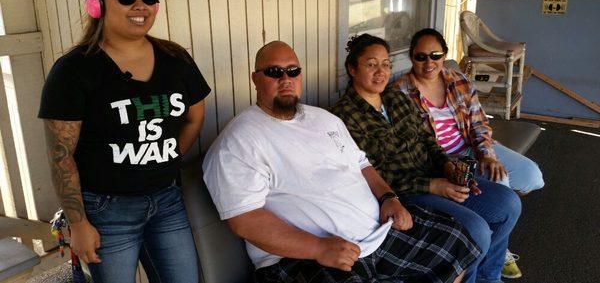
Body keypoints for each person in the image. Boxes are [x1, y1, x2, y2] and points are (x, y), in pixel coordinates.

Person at [203, 41, 481, 283]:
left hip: (374, 235)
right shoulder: (239, 141)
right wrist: (318, 248)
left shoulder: (324, 119)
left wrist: (389, 198)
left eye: (293, 71)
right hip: (303, 257)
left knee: (455, 241)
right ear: (255, 78)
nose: (285, 78)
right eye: (274, 72)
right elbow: (245, 220)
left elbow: (362, 164)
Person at [39, 0, 210, 283]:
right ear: (98, 2)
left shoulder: (175, 58)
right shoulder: (74, 71)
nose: (140, 5)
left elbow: (194, 115)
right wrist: (78, 223)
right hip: (106, 210)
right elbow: (62, 156)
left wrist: (166, 155)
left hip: (166, 201)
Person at [331, 34, 522, 283]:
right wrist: (432, 186)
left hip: (435, 176)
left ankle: (489, 277)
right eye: (371, 64)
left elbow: (427, 140)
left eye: (386, 64)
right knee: (477, 231)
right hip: (405, 193)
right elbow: (369, 175)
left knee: (508, 203)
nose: (381, 72)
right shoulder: (343, 117)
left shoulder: (395, 98)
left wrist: (448, 166)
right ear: (352, 68)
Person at [393, 28, 545, 279]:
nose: (429, 62)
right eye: (421, 57)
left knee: (532, 176)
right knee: (502, 186)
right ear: (412, 58)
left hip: (473, 147)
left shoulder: (458, 80)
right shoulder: (401, 92)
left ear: (444, 55)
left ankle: (498, 238)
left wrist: (487, 155)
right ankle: (496, 255)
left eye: (435, 55)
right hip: (445, 160)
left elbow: (478, 124)